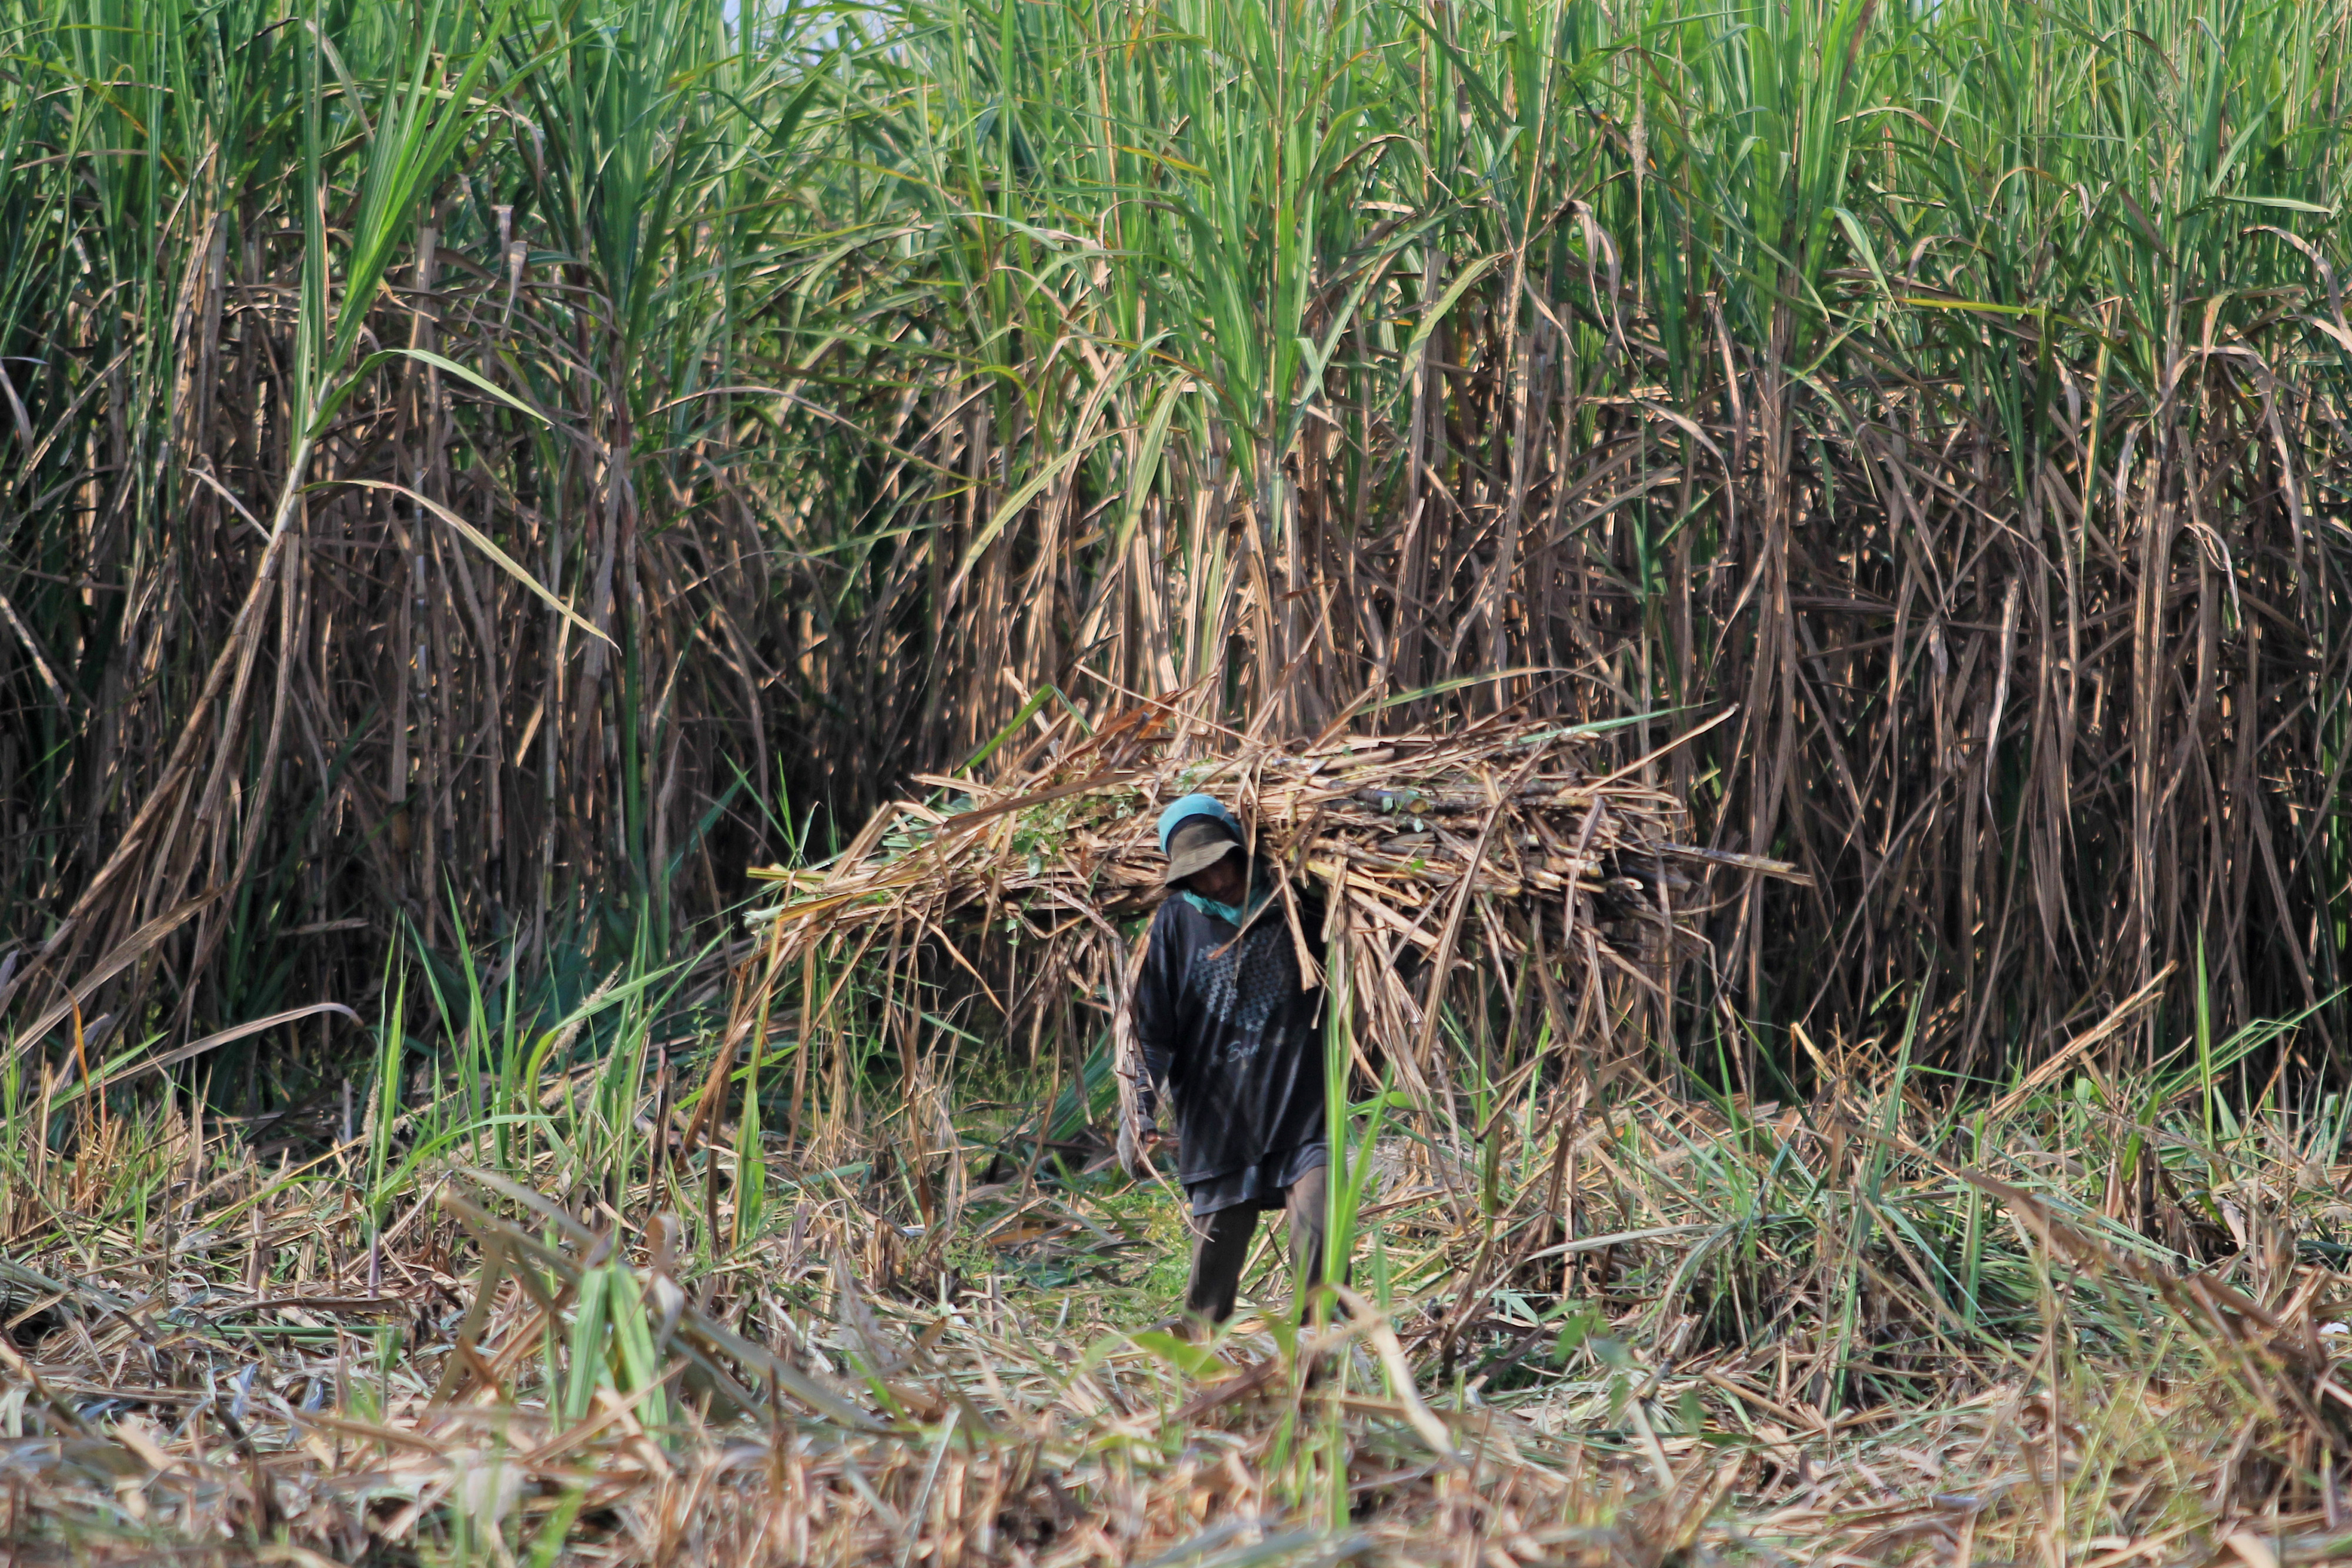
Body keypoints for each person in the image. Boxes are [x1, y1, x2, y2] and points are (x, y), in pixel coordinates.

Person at [1122, 794, 1331, 1330]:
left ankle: (1323, 1369)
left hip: (1302, 1110)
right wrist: (1138, 1110)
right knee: (1210, 1294)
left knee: (1321, 1248)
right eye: (1199, 873)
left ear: (1243, 849)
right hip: (1219, 1125)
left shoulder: (1298, 901)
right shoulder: (1174, 926)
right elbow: (1152, 1032)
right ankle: (1192, 1379)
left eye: (1222, 862)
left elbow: (1369, 959)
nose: (1216, 881)